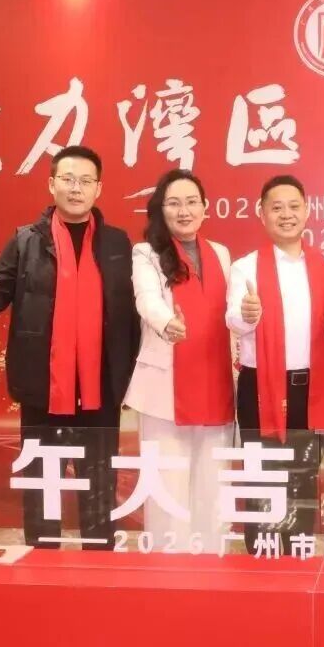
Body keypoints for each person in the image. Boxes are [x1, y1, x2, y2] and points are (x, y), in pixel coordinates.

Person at [0, 145, 138, 550]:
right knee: (41, 483)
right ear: (51, 184)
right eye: (68, 179)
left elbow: (131, 315)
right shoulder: (25, 241)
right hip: (42, 388)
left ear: (98, 189)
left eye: (85, 181)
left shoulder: (117, 243)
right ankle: (41, 561)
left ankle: (99, 557)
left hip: (100, 389)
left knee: (99, 483)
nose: (76, 188)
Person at [226, 174, 324, 554]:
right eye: (276, 208)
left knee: (303, 480)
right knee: (262, 480)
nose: (286, 214)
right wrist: (248, 314)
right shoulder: (245, 267)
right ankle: (261, 562)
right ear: (262, 214)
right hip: (261, 386)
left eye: (294, 206)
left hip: (312, 388)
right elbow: (233, 320)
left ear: (307, 211)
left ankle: (298, 558)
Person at [123, 168, 235, 553]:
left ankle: (213, 558)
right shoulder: (146, 253)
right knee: (167, 485)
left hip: (215, 381)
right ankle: (169, 563)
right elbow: (146, 298)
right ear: (161, 209)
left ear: (205, 207)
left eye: (191, 202)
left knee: (213, 482)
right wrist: (166, 322)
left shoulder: (221, 253)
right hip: (165, 387)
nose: (184, 211)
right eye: (173, 203)